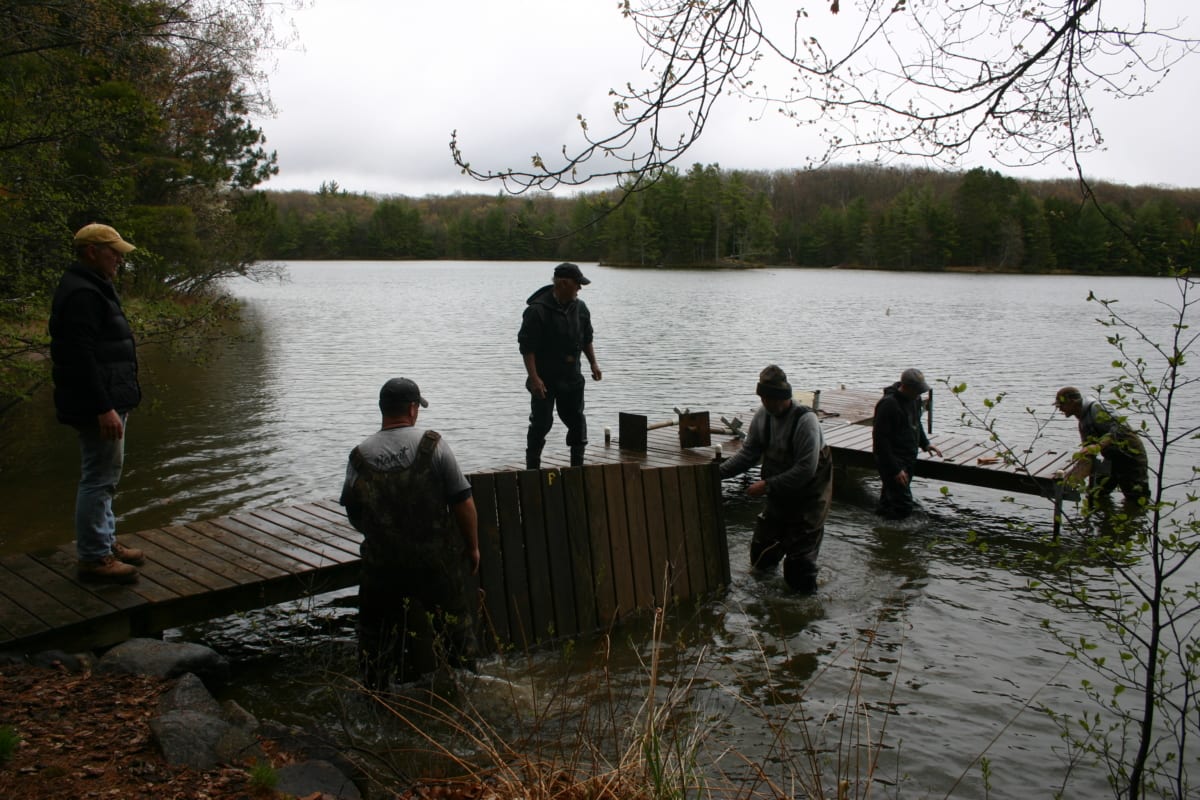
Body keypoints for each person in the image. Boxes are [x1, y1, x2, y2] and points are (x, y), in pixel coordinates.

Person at [339, 377, 481, 687]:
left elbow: (352, 508)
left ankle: (375, 702)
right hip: (435, 565)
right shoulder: (434, 446)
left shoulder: (360, 456)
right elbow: (463, 502)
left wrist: (374, 534)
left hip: (382, 569)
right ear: (413, 409)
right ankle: (468, 690)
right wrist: (472, 548)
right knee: (457, 635)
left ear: (382, 409)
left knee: (374, 644)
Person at [49, 223, 145, 584]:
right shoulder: (83, 294)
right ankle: (94, 557)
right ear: (91, 252)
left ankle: (103, 541)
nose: (119, 258)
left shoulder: (91, 286)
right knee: (99, 477)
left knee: (106, 475)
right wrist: (103, 407)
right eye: (113, 251)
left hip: (106, 397)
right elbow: (80, 357)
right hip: (98, 402)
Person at [718, 365, 833, 593]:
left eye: (772, 398)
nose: (767, 403)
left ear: (785, 397)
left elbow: (805, 469)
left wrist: (767, 485)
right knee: (762, 553)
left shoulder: (805, 422)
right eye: (763, 398)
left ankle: (804, 605)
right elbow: (749, 453)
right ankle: (764, 598)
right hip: (779, 492)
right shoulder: (763, 417)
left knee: (799, 566)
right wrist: (718, 474)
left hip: (810, 494)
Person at [518, 262, 602, 469]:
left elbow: (586, 338)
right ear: (564, 283)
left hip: (571, 378)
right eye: (577, 284)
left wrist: (593, 363)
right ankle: (532, 468)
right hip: (544, 379)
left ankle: (577, 466)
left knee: (577, 421)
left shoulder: (580, 308)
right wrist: (535, 378)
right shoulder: (537, 311)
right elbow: (527, 349)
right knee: (541, 423)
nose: (580, 289)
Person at [1053, 386, 1150, 504]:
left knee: (1136, 498)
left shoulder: (1097, 409)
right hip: (1111, 459)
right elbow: (1088, 452)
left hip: (1131, 456)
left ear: (1072, 402)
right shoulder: (1082, 422)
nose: (1060, 409)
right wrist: (1072, 477)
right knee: (1096, 494)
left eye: (1061, 405)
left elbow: (1121, 427)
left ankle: (1135, 518)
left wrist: (1098, 445)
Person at [872, 368, 943, 520]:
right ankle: (895, 534)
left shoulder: (915, 400)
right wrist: (896, 470)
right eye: (917, 390)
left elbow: (916, 423)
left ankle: (880, 527)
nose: (919, 394)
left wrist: (925, 443)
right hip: (892, 460)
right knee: (904, 505)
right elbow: (880, 440)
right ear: (906, 387)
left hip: (908, 457)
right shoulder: (888, 405)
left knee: (889, 499)